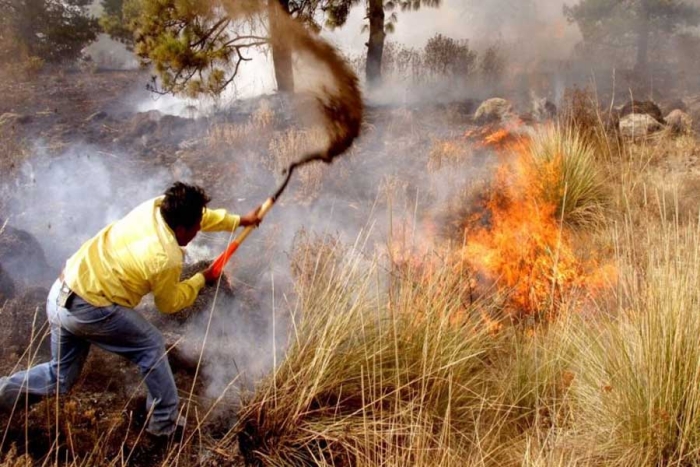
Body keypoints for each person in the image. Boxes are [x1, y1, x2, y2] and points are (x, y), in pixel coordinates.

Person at [0, 182, 260, 437]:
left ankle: (3, 392)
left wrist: (238, 221)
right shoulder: (166, 258)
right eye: (194, 230)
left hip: (60, 293)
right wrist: (201, 279)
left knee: (60, 375)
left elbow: (199, 217)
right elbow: (168, 304)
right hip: (89, 309)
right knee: (152, 346)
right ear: (182, 228)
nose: (196, 234)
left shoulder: (157, 207)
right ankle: (164, 425)